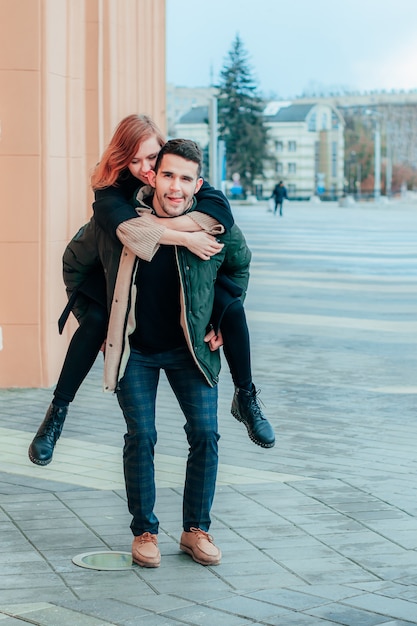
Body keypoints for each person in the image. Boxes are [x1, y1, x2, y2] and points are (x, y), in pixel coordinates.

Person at [28, 114, 274, 467]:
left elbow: (221, 214)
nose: (146, 168)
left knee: (231, 308)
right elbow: (109, 240)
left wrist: (184, 223)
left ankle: (246, 397)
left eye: (152, 158)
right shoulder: (113, 196)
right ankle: (56, 415)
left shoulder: (181, 181)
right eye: (135, 160)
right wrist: (184, 236)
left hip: (193, 288)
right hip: (118, 284)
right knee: (96, 320)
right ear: (122, 162)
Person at [104, 138, 252, 567]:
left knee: (206, 434)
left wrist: (223, 314)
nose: (175, 187)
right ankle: (145, 532)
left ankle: (196, 530)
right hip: (138, 352)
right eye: (168, 175)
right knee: (142, 436)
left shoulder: (213, 224)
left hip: (191, 350)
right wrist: (98, 320)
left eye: (185, 179)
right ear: (152, 176)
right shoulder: (124, 217)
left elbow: (239, 264)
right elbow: (77, 264)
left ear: (197, 183)